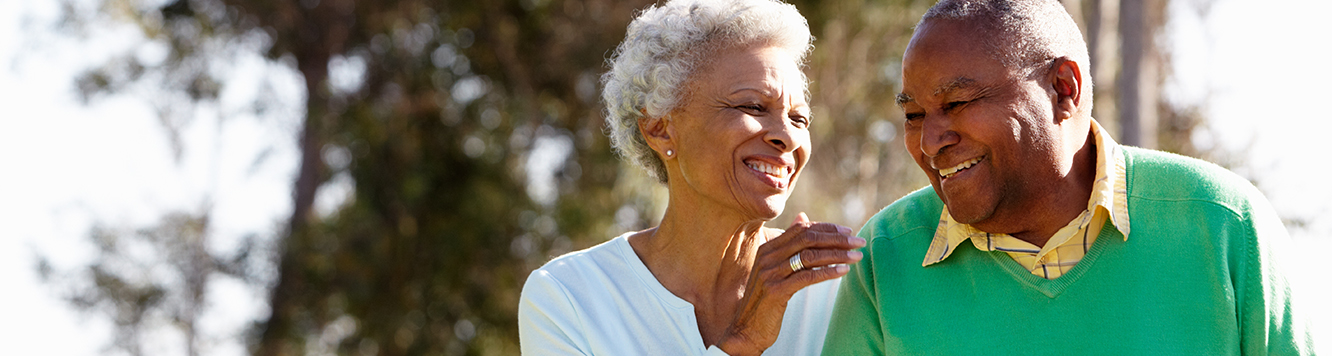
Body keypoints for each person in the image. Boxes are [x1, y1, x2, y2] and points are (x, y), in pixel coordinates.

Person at [823, 0, 1315, 354]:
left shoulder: (1223, 224)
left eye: (956, 104)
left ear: (1063, 89)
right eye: (913, 115)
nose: (930, 142)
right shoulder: (884, 258)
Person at [518, 0, 864, 355]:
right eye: (753, 107)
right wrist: (743, 342)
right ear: (660, 129)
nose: (788, 137)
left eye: (799, 118)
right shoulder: (569, 297)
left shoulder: (841, 290)